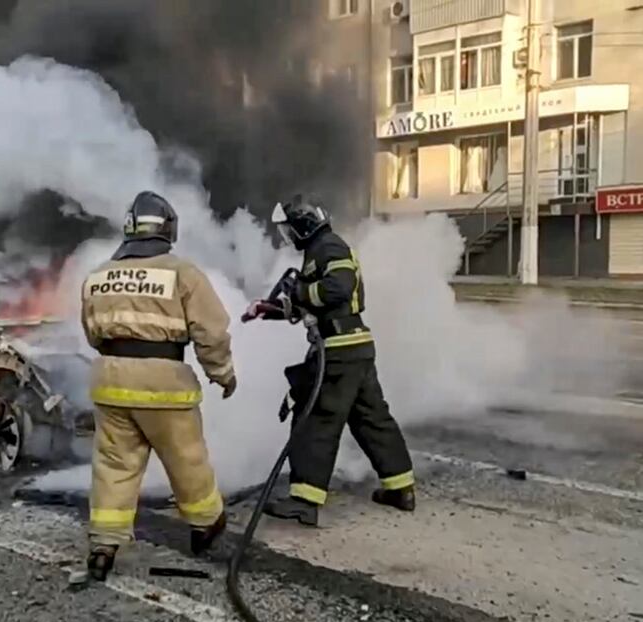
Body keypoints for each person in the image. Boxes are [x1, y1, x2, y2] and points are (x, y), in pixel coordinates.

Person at [80, 190, 237, 581]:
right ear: (168, 230)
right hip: (163, 383)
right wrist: (222, 374)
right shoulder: (182, 273)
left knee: (114, 466)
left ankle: (103, 546)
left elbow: (92, 334)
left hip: (110, 381)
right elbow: (211, 332)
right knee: (185, 458)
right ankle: (205, 527)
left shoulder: (99, 275)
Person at [243, 196, 416, 527]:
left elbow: (338, 288)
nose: (288, 236)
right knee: (371, 418)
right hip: (354, 346)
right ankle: (400, 486)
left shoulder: (328, 247)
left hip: (339, 350)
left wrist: (297, 293)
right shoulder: (321, 249)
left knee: (315, 418)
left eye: (290, 230)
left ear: (304, 226)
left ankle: (304, 501)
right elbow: (317, 304)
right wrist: (269, 310)